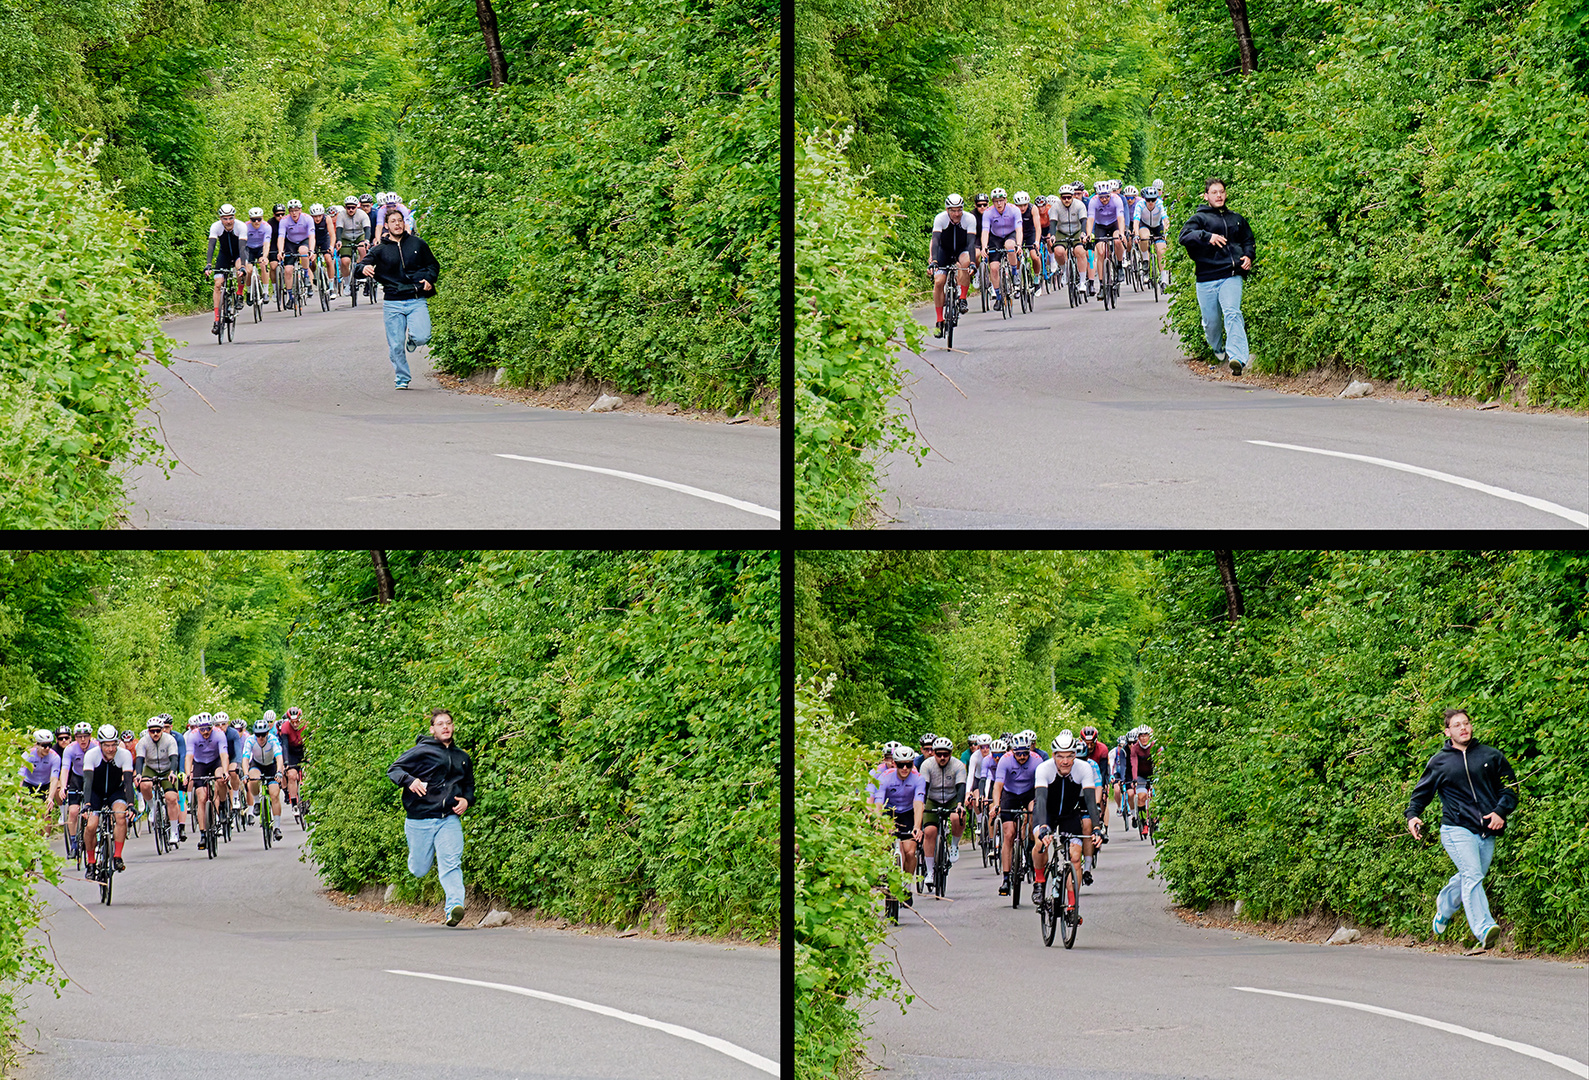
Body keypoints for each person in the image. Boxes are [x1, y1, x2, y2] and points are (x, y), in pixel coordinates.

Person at [1406, 708, 1517, 951]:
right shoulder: (1440, 762)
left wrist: (1500, 812)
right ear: (1447, 731)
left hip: (1486, 830)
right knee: (1473, 875)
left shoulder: (1491, 756)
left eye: (1466, 723)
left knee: (1470, 875)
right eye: (1457, 725)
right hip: (1456, 829)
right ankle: (1484, 928)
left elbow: (1510, 789)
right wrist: (1413, 815)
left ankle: (1444, 907)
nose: (1463, 728)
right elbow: (1422, 793)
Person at [388, 708, 474, 927]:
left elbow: (468, 786)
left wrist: (466, 800)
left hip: (448, 819)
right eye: (440, 724)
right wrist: (409, 780)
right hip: (420, 819)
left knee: (451, 863)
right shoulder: (421, 751)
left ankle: (454, 907)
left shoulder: (462, 757)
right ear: (432, 729)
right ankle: (416, 859)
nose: (445, 727)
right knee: (419, 869)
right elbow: (394, 769)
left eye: (449, 723)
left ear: (453, 727)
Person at [1177, 177, 1255, 375]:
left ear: (1226, 194)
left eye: (1221, 192)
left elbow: (1248, 240)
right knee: (1211, 322)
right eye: (1214, 192)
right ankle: (1218, 348)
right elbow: (1184, 237)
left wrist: (1248, 256)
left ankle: (1237, 358)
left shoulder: (1236, 218)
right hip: (1206, 277)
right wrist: (1207, 236)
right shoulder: (1200, 218)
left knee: (1232, 312)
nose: (1219, 195)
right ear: (1206, 196)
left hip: (1231, 275)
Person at [356, 208, 439, 390]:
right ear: (387, 226)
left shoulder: (418, 244)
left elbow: (433, 265)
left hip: (416, 298)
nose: (397, 224)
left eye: (400, 220)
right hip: (393, 302)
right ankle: (402, 377)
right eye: (393, 221)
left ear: (404, 223)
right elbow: (360, 266)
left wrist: (429, 279)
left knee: (423, 336)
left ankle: (413, 339)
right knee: (395, 345)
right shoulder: (380, 250)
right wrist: (363, 269)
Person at [872, 744, 925, 909]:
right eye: (900, 764)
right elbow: (878, 802)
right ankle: (885, 871)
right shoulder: (885, 777)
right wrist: (878, 822)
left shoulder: (918, 779)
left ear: (912, 764)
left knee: (910, 851)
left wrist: (917, 826)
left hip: (908, 813)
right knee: (883, 842)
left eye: (908, 764)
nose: (904, 768)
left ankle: (907, 887)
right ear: (894, 763)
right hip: (890, 812)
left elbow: (918, 804)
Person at [990, 733, 1040, 896]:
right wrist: (996, 805)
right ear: (1012, 751)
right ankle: (1005, 878)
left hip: (1029, 793)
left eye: (1025, 753)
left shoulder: (1037, 760)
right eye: (1018, 753)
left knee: (1033, 813)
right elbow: (998, 785)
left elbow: (1041, 787)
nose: (1022, 756)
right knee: (1009, 834)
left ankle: (1031, 845)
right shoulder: (1005, 760)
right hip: (1010, 794)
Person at [81, 725, 133, 879]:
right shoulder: (91, 755)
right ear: (100, 744)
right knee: (91, 825)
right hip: (95, 793)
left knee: (120, 816)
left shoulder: (124, 755)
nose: (111, 749)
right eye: (107, 745)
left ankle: (117, 856)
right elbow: (87, 782)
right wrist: (87, 804)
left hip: (115, 791)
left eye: (113, 744)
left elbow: (129, 782)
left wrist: (130, 804)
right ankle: (91, 863)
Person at [919, 736, 967, 893]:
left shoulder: (958, 765)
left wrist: (960, 805)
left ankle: (954, 845)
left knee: (957, 816)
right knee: (930, 831)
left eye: (945, 754)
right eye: (939, 754)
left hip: (952, 798)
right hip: (932, 798)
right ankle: (930, 871)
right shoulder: (927, 765)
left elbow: (961, 788)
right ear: (933, 753)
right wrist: (922, 806)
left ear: (951, 753)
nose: (942, 758)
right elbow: (923, 787)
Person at [929, 194, 975, 337]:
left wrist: (973, 263)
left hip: (961, 250)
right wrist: (934, 261)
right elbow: (935, 241)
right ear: (947, 209)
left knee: (965, 263)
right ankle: (939, 320)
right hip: (944, 250)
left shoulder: (969, 219)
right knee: (939, 282)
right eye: (953, 210)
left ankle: (962, 298)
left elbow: (971, 243)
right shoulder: (940, 218)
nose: (956, 214)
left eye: (959, 210)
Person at [183, 713, 230, 849]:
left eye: (208, 729)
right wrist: (187, 774)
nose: (205, 732)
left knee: (221, 779)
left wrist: (226, 772)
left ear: (212, 727)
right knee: (201, 797)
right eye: (202, 729)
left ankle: (221, 806)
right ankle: (203, 834)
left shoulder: (219, 734)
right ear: (198, 728)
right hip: (200, 764)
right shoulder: (193, 735)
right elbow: (189, 756)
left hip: (215, 762)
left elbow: (224, 755)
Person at [134, 717, 182, 849]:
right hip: (151, 768)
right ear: (148, 731)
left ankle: (173, 831)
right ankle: (152, 808)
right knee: (144, 785)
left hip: (167, 769)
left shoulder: (169, 740)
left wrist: (173, 772)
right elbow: (139, 759)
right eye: (152, 731)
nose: (155, 734)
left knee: (171, 798)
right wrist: (138, 774)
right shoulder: (143, 741)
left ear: (162, 730)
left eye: (158, 731)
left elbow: (174, 758)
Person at [205, 204, 249, 336]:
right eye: (225, 218)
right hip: (223, 255)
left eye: (230, 218)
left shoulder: (241, 226)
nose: (228, 221)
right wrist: (208, 264)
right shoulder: (216, 226)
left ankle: (240, 293)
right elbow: (211, 246)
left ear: (234, 217)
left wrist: (242, 267)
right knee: (218, 284)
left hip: (238, 255)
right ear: (220, 218)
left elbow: (242, 248)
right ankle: (217, 320)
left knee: (239, 269)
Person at [979, 189, 1022, 312]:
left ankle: (1014, 273)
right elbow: (985, 231)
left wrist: (1018, 245)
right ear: (992, 202)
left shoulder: (1014, 210)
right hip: (995, 237)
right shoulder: (988, 213)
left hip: (1010, 234)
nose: (999, 204)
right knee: (993, 268)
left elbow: (1019, 229)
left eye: (1001, 201)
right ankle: (998, 296)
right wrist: (984, 247)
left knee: (1010, 246)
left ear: (1005, 200)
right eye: (996, 201)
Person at [242, 720, 285, 842]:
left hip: (271, 766)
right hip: (257, 764)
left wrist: (279, 772)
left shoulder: (272, 740)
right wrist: (245, 774)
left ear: (267, 733)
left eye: (263, 734)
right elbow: (245, 758)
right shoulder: (250, 740)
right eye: (258, 735)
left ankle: (277, 827)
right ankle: (256, 802)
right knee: (253, 779)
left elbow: (279, 757)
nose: (260, 737)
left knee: (274, 794)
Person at [332, 198, 371, 300]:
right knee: (345, 261)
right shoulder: (341, 215)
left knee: (362, 248)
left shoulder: (362, 214)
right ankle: (347, 283)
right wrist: (339, 241)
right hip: (346, 238)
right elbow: (339, 229)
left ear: (356, 207)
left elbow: (367, 229)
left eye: (353, 208)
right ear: (345, 208)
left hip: (359, 236)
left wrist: (367, 240)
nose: (350, 210)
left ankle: (361, 270)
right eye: (348, 208)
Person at [277, 706, 308, 819]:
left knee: (308, 772)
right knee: (291, 776)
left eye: (297, 722)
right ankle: (294, 803)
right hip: (291, 752)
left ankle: (307, 796)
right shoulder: (285, 727)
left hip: (303, 750)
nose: (295, 725)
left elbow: (311, 742)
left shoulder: (306, 725)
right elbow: (284, 746)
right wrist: (286, 763)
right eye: (293, 722)